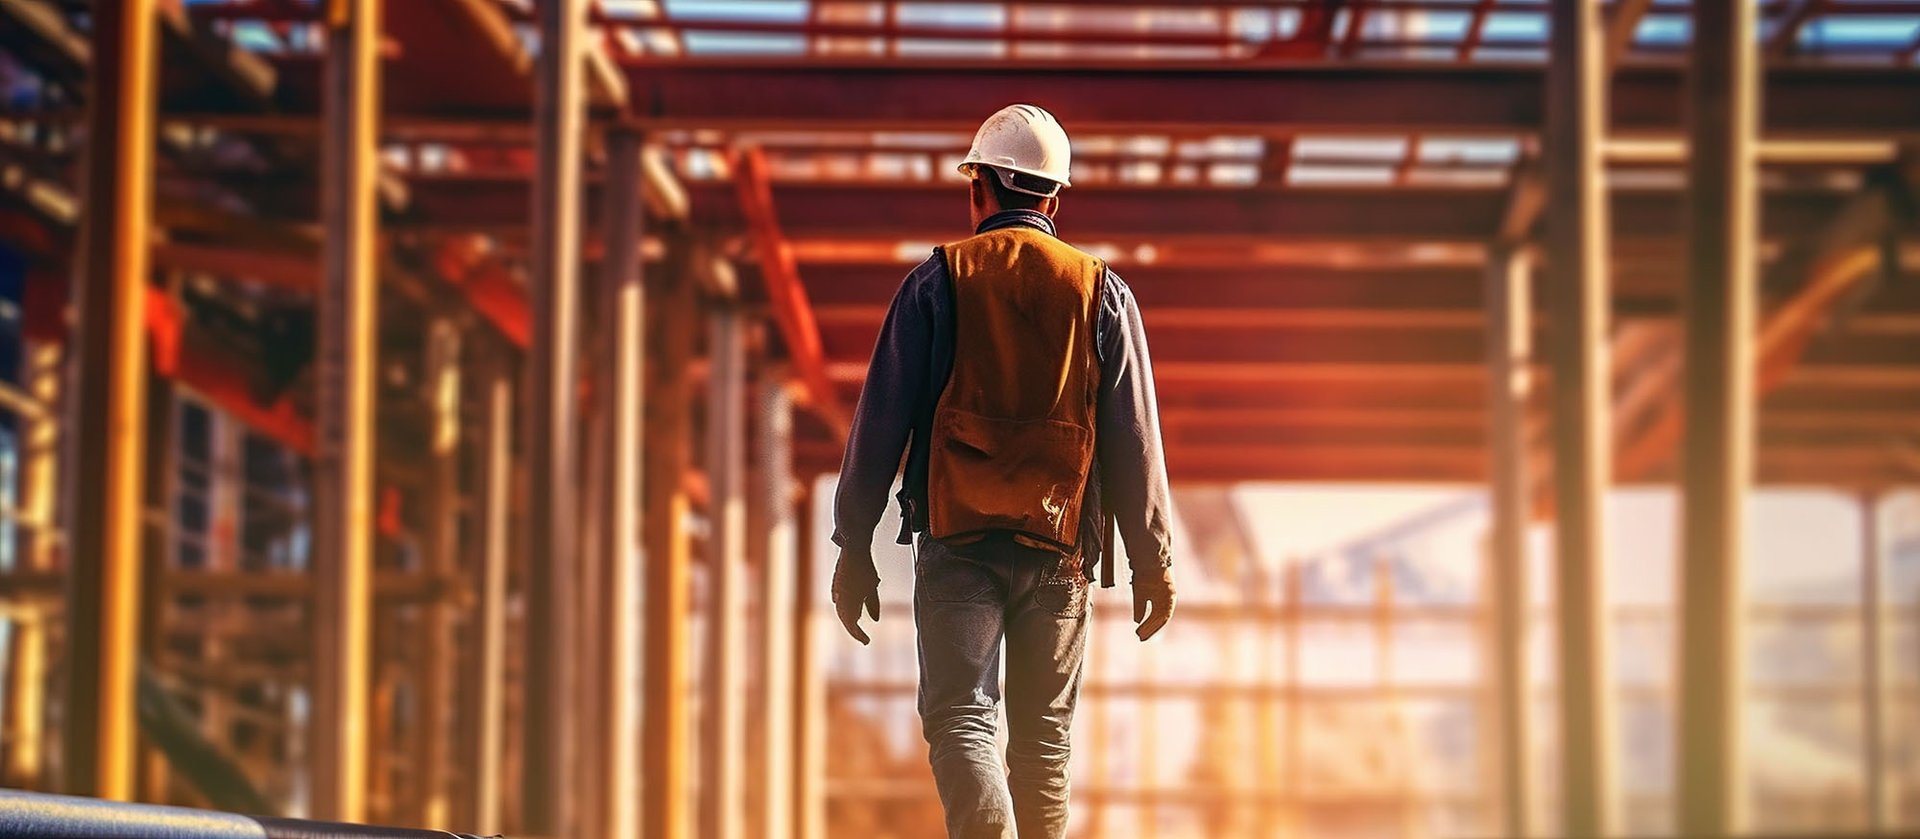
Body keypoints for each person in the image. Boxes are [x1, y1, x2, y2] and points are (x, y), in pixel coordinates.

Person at [829, 103, 1177, 839]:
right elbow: (1134, 437)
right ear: (1053, 198)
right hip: (1060, 549)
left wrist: (853, 542)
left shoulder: (937, 283)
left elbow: (880, 421)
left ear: (978, 188)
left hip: (958, 541)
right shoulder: (1102, 293)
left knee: (961, 717)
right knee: (1043, 744)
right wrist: (1153, 561)